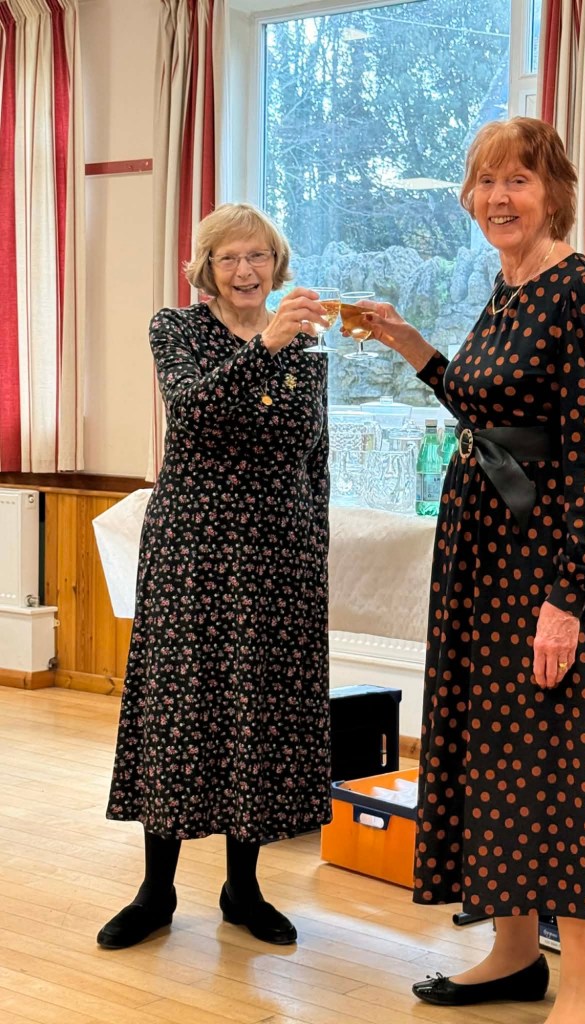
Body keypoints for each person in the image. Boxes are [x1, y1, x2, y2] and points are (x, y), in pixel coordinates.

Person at [359, 118, 585, 1024]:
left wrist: (569, 599)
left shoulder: (579, 287)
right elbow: (486, 406)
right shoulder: (508, 286)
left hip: (543, 561)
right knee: (496, 755)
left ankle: (584, 983)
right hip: (482, 559)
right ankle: (515, 954)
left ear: (554, 191)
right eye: (484, 183)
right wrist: (412, 345)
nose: (497, 198)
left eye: (516, 180)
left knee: (556, 762)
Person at [98, 203, 334, 950]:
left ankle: (244, 888)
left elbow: (316, 456)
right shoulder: (176, 329)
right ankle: (156, 891)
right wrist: (265, 345)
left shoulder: (308, 346)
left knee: (255, 715)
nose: (244, 270)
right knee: (179, 711)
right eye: (228, 257)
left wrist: (315, 548)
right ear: (205, 267)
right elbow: (194, 414)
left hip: (278, 557)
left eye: (257, 256)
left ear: (276, 263)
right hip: (192, 554)